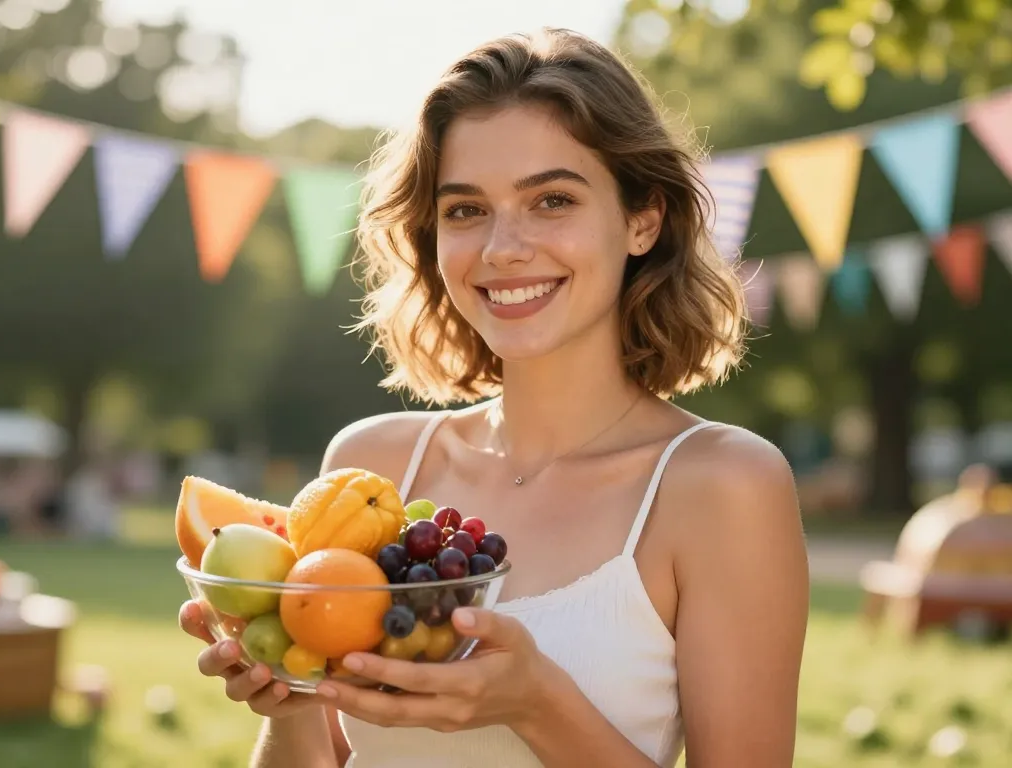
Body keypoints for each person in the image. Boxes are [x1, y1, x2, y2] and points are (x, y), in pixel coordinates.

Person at [179, 27, 809, 768]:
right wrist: (287, 700)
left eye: (551, 200)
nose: (503, 248)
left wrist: (537, 703)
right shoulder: (371, 469)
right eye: (466, 210)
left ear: (643, 219)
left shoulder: (721, 485)